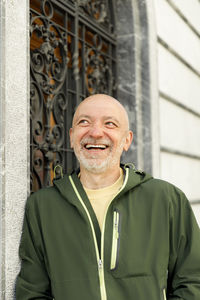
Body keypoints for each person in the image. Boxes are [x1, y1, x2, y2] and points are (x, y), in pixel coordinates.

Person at [16, 94, 200, 299]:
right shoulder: (43, 207)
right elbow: (32, 292)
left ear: (127, 140)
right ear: (71, 135)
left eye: (110, 124)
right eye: (84, 122)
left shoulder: (166, 199)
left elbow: (193, 280)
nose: (95, 132)